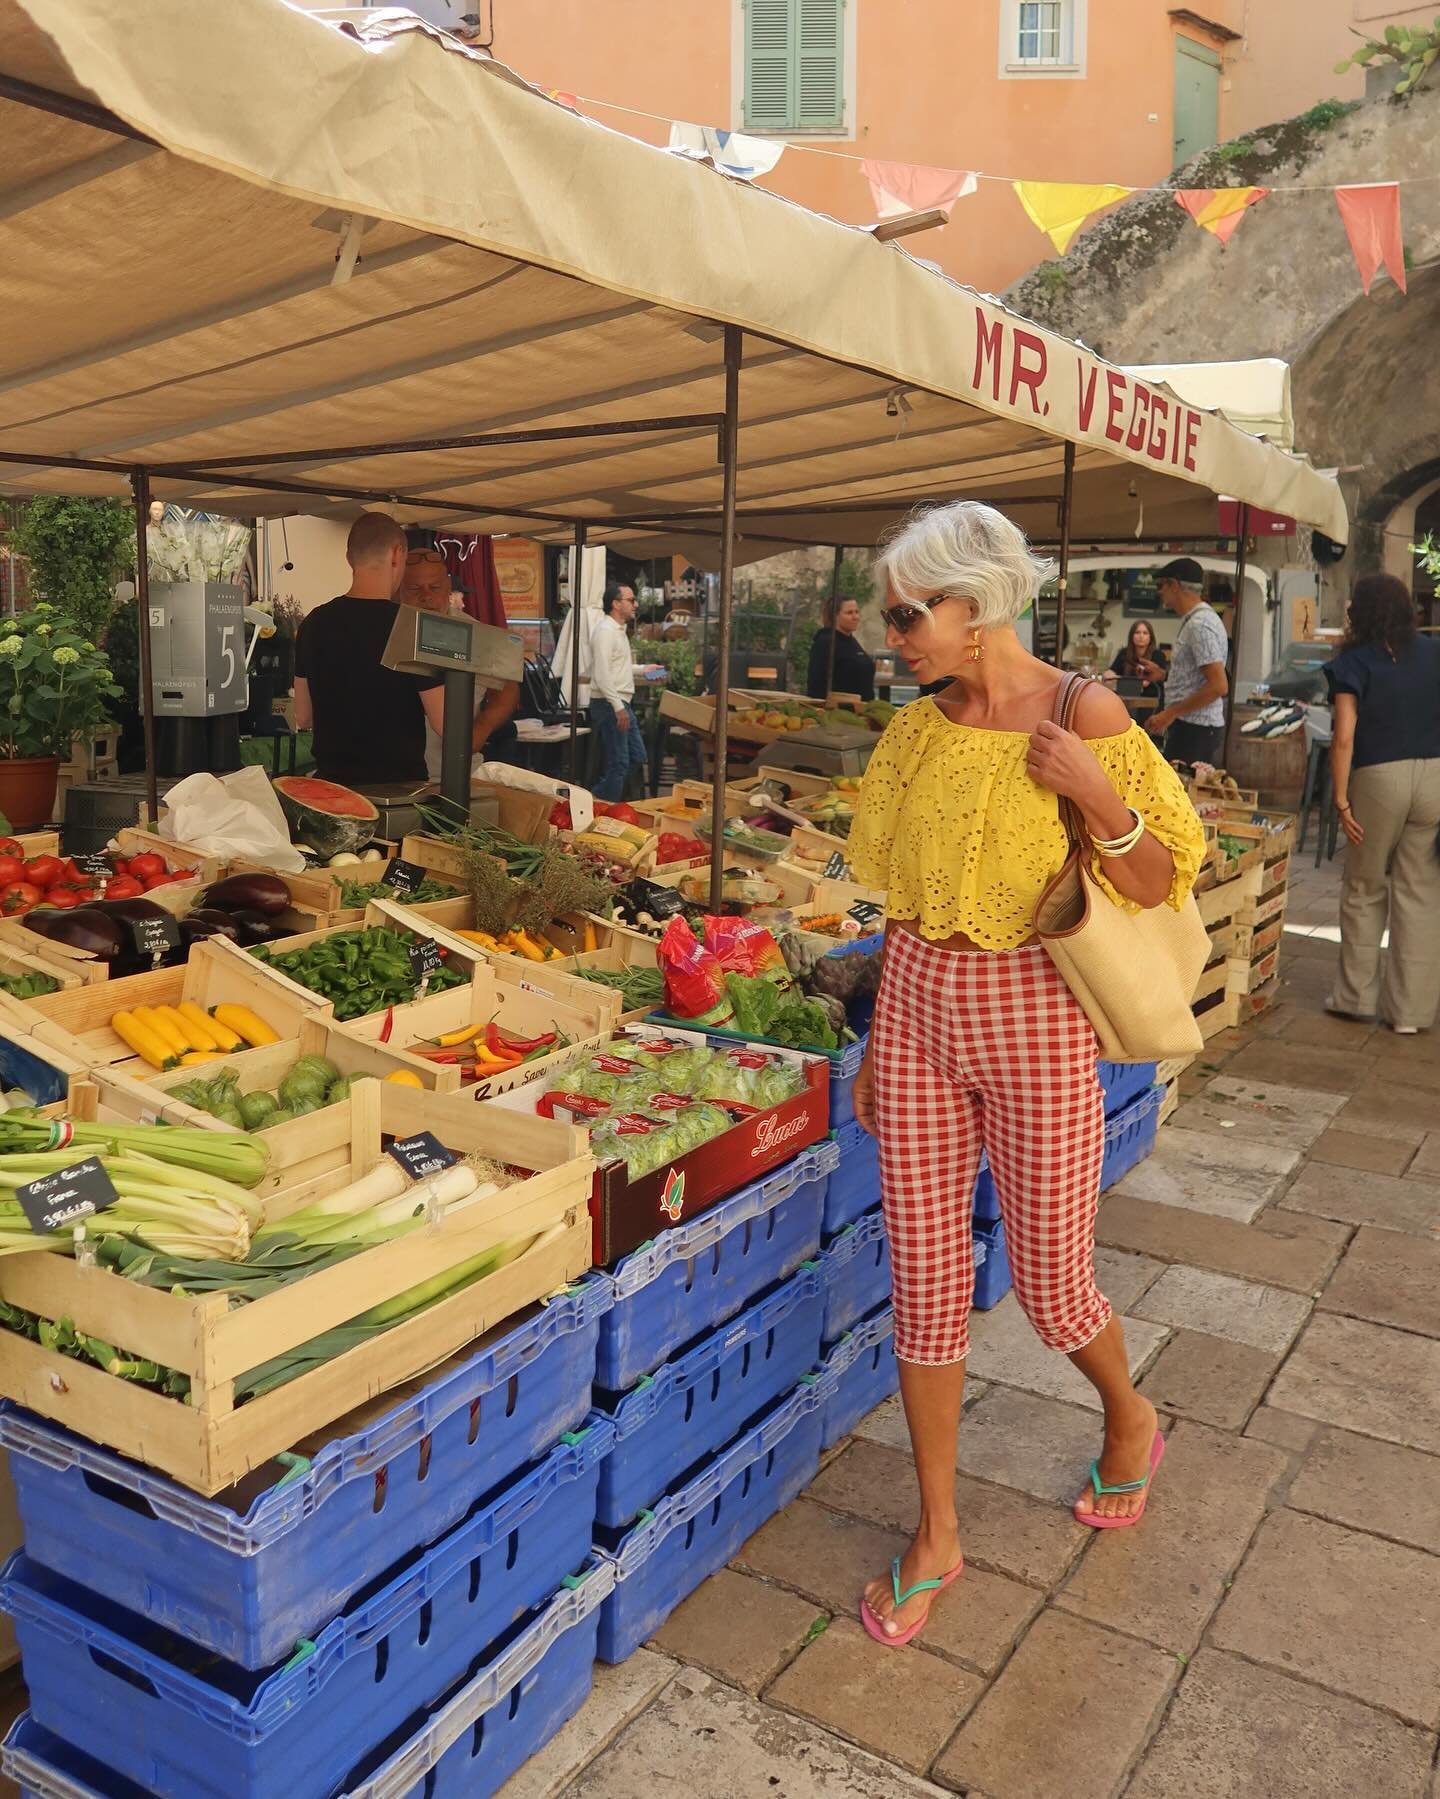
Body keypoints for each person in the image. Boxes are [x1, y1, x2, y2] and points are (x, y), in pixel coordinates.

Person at [845, 500, 1205, 1646]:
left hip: (1036, 1017)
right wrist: (873, 1041)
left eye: (912, 612)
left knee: (1051, 1275)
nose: (895, 634)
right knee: (925, 1272)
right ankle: (939, 1526)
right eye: (891, 615)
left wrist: (1094, 793)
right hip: (915, 1015)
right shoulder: (913, 733)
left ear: (977, 599)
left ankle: (1130, 1413)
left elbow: (1160, 876)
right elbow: (897, 905)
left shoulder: (1080, 708)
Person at [1325, 572, 1440, 1033]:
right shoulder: (1435, 654)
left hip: (1378, 778)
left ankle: (1354, 997)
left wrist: (1340, 799)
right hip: (1435, 776)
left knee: (1364, 886)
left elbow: (1344, 737)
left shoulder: (1354, 662)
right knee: (1420, 894)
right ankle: (1411, 1014)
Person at [292, 513, 443, 786]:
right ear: (397, 555)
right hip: (398, 792)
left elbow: (302, 716)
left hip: (333, 788)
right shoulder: (412, 626)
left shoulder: (313, 622)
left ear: (349, 559)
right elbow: (444, 721)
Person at [399, 546, 520, 778]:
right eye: (414, 588)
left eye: (434, 587)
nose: (426, 596)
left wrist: (482, 727)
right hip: (396, 776)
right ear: (398, 590)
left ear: (447, 588)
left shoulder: (474, 633)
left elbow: (507, 687)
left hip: (459, 774)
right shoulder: (385, 630)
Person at [1145, 558, 1229, 765]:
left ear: (1175, 585)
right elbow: (1199, 677)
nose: (1159, 592)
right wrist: (1163, 676)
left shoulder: (1200, 625)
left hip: (1195, 729)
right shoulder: (1196, 620)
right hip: (1191, 726)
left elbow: (1218, 686)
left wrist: (1170, 713)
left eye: (1161, 585)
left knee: (1181, 793)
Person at [588, 582, 647, 802]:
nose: (635, 604)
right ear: (615, 604)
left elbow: (617, 667)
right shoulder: (605, 631)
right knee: (619, 763)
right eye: (631, 600)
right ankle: (598, 803)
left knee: (636, 757)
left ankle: (605, 800)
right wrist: (618, 707)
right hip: (610, 703)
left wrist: (645, 670)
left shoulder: (618, 630)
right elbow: (602, 674)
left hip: (620, 702)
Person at [807, 595, 876, 701]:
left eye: (857, 612)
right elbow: (816, 684)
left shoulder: (851, 641)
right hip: (840, 711)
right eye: (849, 613)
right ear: (835, 616)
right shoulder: (826, 642)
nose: (856, 617)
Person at [1103, 619, 1168, 701]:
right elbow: (1111, 672)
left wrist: (1122, 682)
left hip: (1151, 701)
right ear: (1132, 636)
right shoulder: (1124, 653)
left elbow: (1146, 683)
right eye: (1137, 632)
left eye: (1145, 633)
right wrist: (1109, 674)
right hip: (1126, 700)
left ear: (1150, 637)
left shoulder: (1158, 655)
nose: (1141, 636)